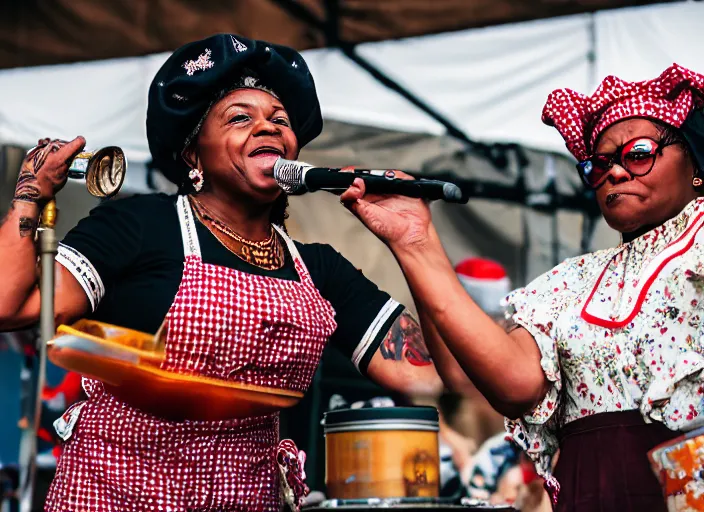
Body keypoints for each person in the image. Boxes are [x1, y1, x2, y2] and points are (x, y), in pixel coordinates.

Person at [0, 34, 472, 512]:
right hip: (117, 498)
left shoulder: (320, 268)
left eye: (280, 120)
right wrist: (29, 194)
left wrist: (416, 245)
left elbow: (441, 382)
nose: (268, 127)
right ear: (192, 155)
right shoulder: (139, 227)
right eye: (240, 117)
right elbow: (10, 304)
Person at [341, 63, 704, 511]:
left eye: (638, 153)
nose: (615, 172)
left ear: (695, 163)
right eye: (600, 164)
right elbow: (512, 384)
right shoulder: (573, 281)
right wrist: (415, 242)